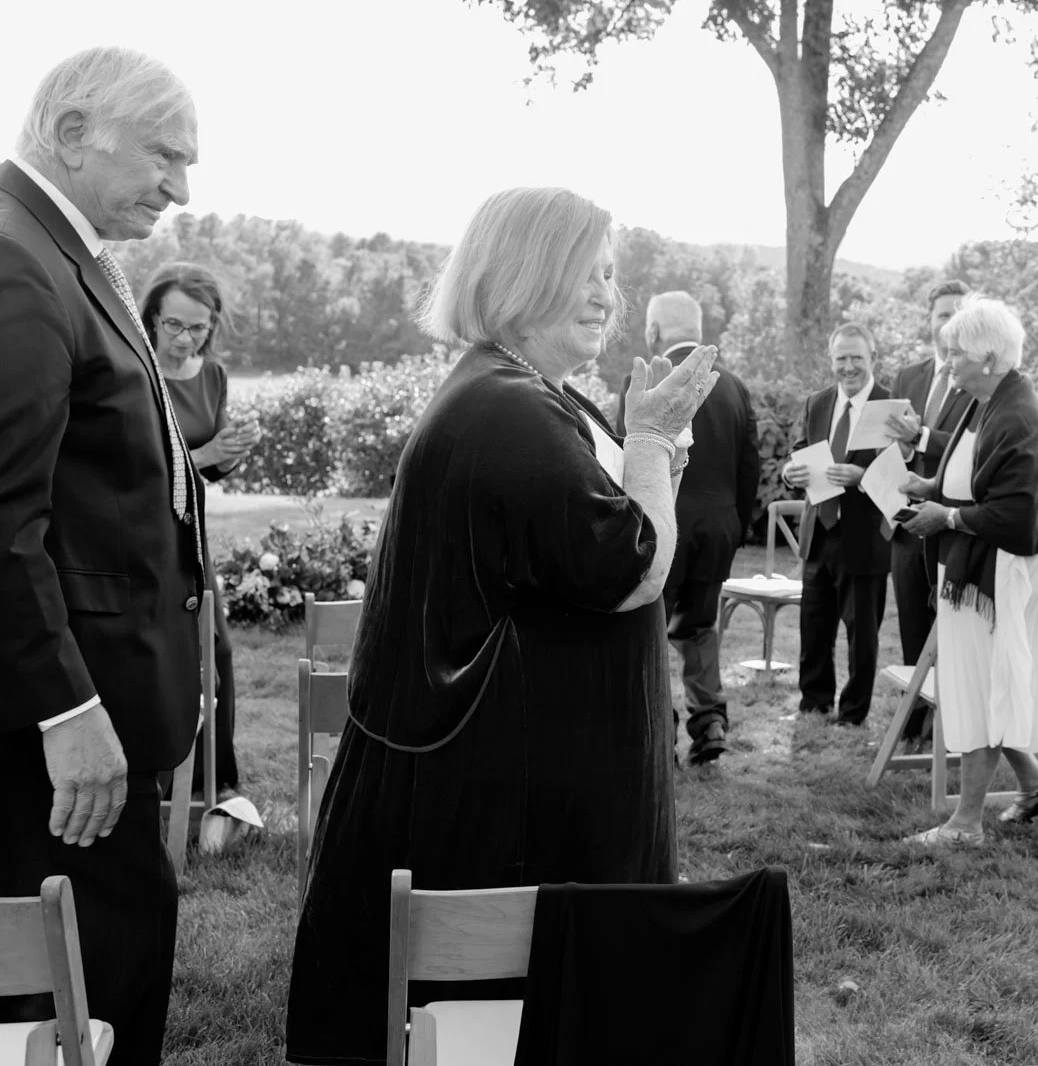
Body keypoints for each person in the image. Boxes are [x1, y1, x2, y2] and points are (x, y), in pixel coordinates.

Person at [285, 187, 718, 1065]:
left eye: (610, 275)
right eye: (582, 274)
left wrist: (651, 451)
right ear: (518, 275)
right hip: (511, 781)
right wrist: (652, 446)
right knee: (511, 1022)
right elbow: (629, 563)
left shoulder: (530, 391)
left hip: (541, 761)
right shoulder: (508, 407)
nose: (605, 295)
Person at [0, 47, 205, 1066]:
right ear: (75, 132)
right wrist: (67, 709)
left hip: (98, 697)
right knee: (89, 967)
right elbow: (4, 521)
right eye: (165, 155)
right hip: (62, 724)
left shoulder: (57, 248)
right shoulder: (17, 260)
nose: (179, 188)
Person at [898, 297, 1038, 846]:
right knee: (977, 684)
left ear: (991, 358)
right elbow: (975, 471)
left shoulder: (1020, 417)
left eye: (956, 354)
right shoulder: (985, 400)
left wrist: (944, 514)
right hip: (974, 570)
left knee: (986, 687)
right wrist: (933, 487)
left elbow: (1016, 516)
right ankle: (1037, 783)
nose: (947, 363)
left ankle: (965, 823)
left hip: (999, 576)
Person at [615, 291, 759, 765]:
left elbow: (629, 464)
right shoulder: (734, 386)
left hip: (666, 522)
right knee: (699, 625)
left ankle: (658, 731)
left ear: (655, 332)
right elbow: (749, 468)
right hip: (720, 526)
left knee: (651, 626)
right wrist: (736, 527)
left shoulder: (645, 385)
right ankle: (710, 721)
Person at [141, 262, 262, 805]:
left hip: (194, 533)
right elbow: (138, 470)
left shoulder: (212, 375)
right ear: (151, 318)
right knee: (163, 652)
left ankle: (215, 783)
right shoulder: (136, 370)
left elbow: (206, 472)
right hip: (143, 534)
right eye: (173, 326)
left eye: (198, 328)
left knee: (217, 651)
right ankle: (159, 785)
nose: (184, 339)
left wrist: (231, 453)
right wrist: (206, 455)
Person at [781, 323, 891, 727]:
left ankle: (853, 714)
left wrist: (862, 476)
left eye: (856, 358)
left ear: (872, 359)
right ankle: (814, 703)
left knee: (862, 634)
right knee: (814, 625)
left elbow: (904, 472)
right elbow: (799, 451)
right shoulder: (818, 401)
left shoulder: (890, 405)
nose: (849, 367)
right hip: (820, 532)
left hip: (865, 537)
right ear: (832, 361)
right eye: (841, 358)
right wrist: (790, 471)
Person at [882, 280, 977, 747]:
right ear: (930, 320)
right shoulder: (907, 377)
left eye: (958, 313)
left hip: (952, 522)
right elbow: (893, 446)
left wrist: (919, 438)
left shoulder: (977, 380)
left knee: (952, 629)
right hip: (904, 520)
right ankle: (915, 721)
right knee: (912, 626)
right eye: (942, 314)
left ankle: (948, 723)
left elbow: (969, 451)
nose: (949, 322)